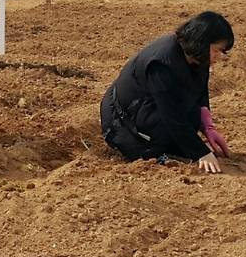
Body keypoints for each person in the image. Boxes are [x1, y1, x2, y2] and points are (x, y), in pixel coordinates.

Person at [100, 11, 234, 173]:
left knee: (191, 114)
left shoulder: (197, 58)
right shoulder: (161, 64)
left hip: (150, 109)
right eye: (216, 50)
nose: (218, 57)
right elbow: (171, 114)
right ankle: (148, 147)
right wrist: (201, 153)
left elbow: (199, 90)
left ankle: (169, 143)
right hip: (121, 122)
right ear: (202, 43)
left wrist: (207, 126)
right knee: (171, 122)